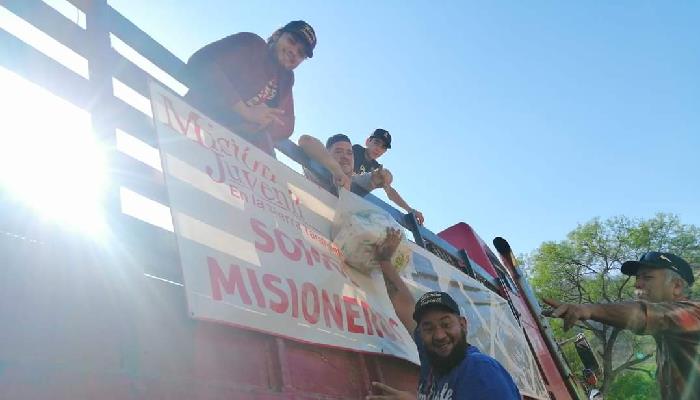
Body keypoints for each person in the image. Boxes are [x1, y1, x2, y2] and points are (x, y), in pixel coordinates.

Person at [366, 229, 521, 400]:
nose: (439, 335)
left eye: (446, 324)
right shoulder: (433, 358)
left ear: (463, 324)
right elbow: (405, 305)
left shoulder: (479, 369)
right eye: (429, 328)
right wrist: (384, 261)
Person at [543, 252, 699, 400]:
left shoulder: (694, 313)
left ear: (677, 286)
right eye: (637, 278)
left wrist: (587, 310)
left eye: (648, 277)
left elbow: (641, 314)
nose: (637, 283)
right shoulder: (667, 333)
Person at [185, 21, 316, 156]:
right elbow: (202, 61)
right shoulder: (252, 44)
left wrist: (262, 120)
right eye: (291, 41)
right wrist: (245, 111)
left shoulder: (286, 79)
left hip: (231, 155)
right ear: (277, 35)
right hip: (191, 126)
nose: (294, 51)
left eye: (301, 53)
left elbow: (286, 125)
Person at [352, 129, 425, 225]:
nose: (378, 149)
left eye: (383, 147)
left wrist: (410, 210)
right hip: (341, 185)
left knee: (386, 176)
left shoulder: (377, 168)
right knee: (384, 174)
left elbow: (390, 191)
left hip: (354, 199)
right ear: (368, 141)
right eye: (376, 143)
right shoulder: (357, 150)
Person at [298, 134, 391, 196]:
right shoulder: (318, 167)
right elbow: (305, 140)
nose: (345, 156)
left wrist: (384, 177)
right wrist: (337, 171)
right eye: (338, 151)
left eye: (349, 153)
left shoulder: (355, 182)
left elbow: (384, 177)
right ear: (327, 153)